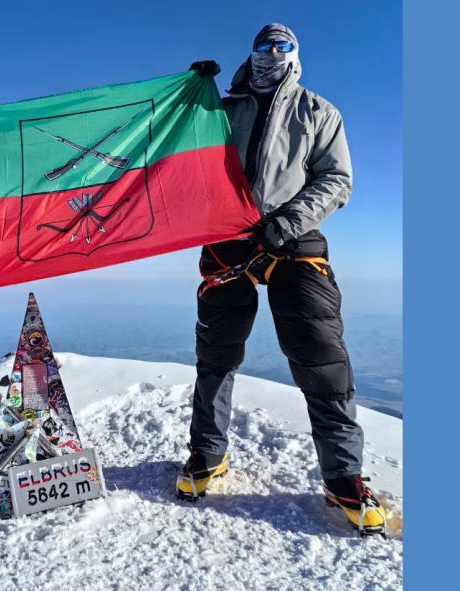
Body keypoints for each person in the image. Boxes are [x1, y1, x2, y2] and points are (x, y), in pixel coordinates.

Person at [177, 25, 387, 537]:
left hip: (294, 242)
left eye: (283, 46)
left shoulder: (318, 112)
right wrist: (190, 98)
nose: (272, 53)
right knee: (217, 354)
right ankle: (208, 455)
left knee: (322, 356)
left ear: (295, 55)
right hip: (228, 242)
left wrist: (286, 222)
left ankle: (343, 477)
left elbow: (337, 180)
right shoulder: (222, 111)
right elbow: (179, 160)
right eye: (264, 46)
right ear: (250, 53)